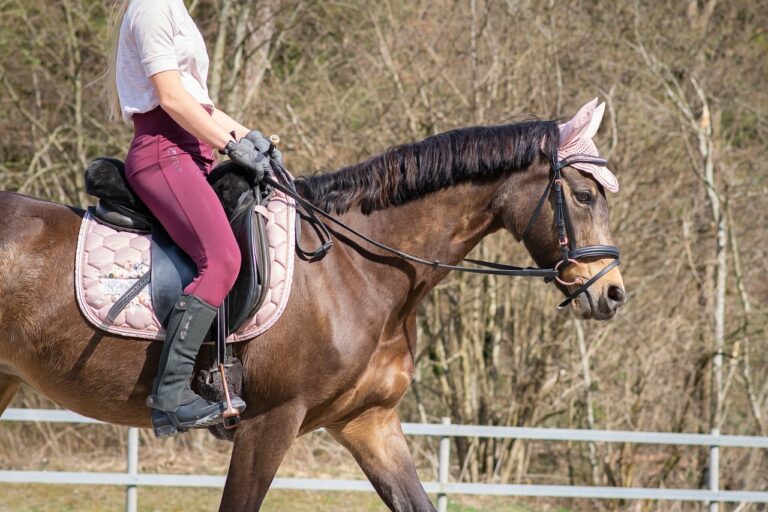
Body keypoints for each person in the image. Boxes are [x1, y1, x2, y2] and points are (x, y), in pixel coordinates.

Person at [107, 0, 272, 438]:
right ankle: (172, 394)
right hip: (164, 153)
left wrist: (252, 139)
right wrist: (232, 146)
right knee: (222, 259)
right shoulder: (150, 8)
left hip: (190, 154)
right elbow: (171, 97)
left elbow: (201, 103)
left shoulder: (174, 8)